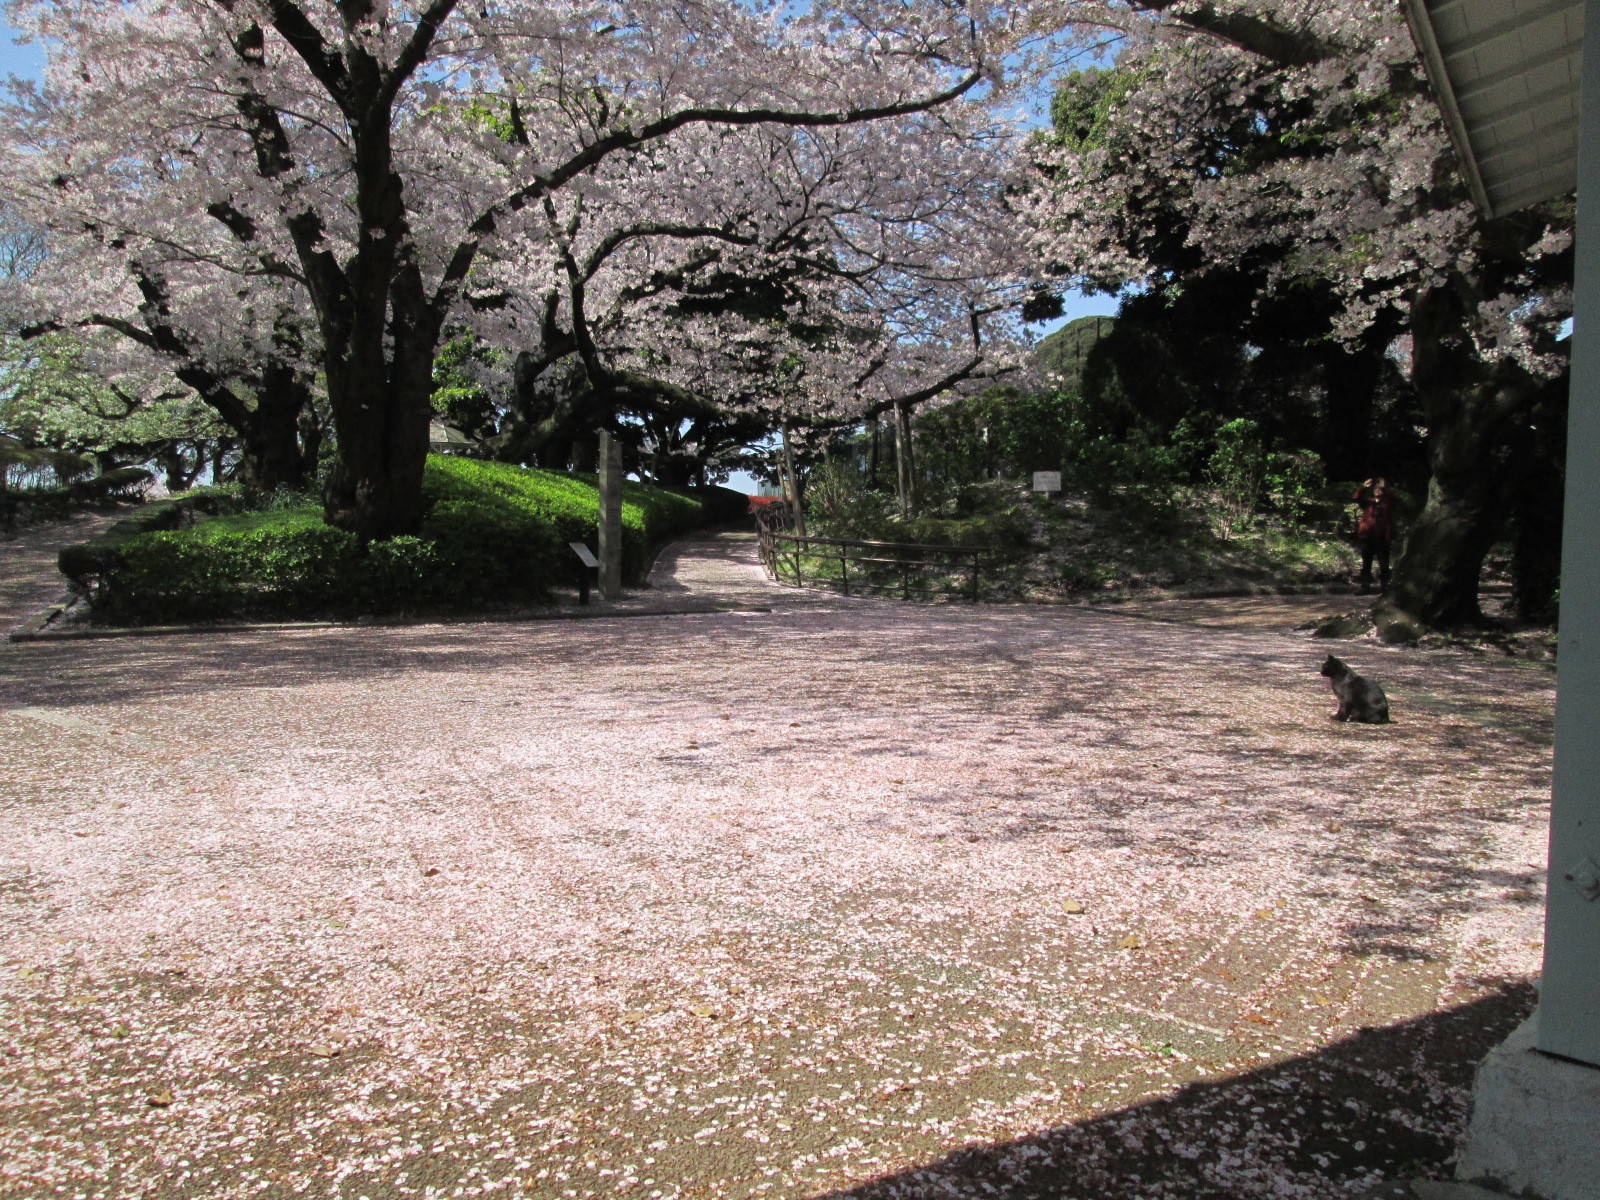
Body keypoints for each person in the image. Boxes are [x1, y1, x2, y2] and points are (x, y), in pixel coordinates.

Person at [1351, 477, 1395, 594]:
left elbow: (1391, 496)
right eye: (1376, 488)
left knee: (1384, 563)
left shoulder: (1387, 502)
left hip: (1382, 537)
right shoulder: (1368, 502)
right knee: (1366, 563)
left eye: (1380, 489)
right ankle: (1365, 586)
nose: (1378, 490)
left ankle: (1384, 586)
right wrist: (1363, 487)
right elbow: (1356, 498)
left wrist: (1384, 486)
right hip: (1367, 536)